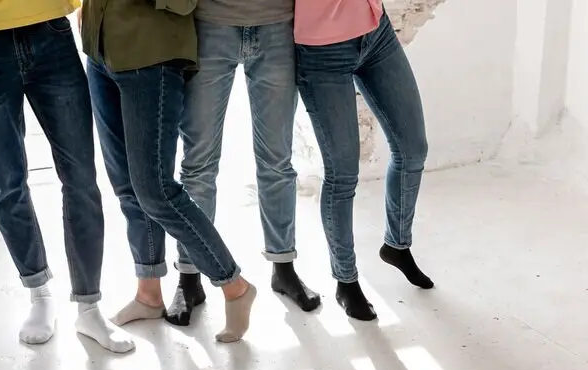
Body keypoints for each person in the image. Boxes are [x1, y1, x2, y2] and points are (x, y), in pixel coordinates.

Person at [0, 0, 131, 352]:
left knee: (81, 178)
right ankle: (39, 293)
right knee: (7, 183)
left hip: (49, 28)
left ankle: (89, 306)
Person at [82, 0, 258, 343]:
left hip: (151, 56)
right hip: (100, 51)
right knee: (128, 187)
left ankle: (234, 285)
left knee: (156, 191)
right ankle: (148, 294)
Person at [160, 0, 320, 326]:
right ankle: (189, 277)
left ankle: (284, 267)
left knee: (277, 160)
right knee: (198, 164)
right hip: (210, 23)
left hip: (277, 23)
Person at [294, 0, 433, 322]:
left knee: (413, 149)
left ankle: (397, 246)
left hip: (375, 30)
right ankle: (346, 281)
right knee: (342, 173)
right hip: (321, 48)